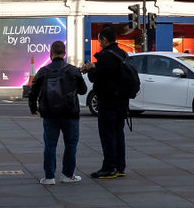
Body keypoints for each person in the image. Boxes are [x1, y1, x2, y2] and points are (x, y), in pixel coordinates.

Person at [27, 40, 89, 186]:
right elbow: (83, 90)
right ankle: (68, 174)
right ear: (64, 53)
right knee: (71, 144)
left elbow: (33, 91)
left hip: (50, 114)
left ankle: (49, 177)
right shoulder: (73, 70)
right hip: (70, 113)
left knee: (50, 145)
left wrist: (33, 107)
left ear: (51, 54)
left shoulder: (43, 71)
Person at [86, 27, 133, 180]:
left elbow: (96, 78)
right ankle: (120, 167)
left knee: (107, 135)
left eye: (100, 40)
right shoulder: (122, 54)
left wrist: (92, 68)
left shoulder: (106, 56)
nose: (99, 43)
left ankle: (109, 167)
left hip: (108, 101)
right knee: (119, 133)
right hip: (121, 102)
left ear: (104, 40)